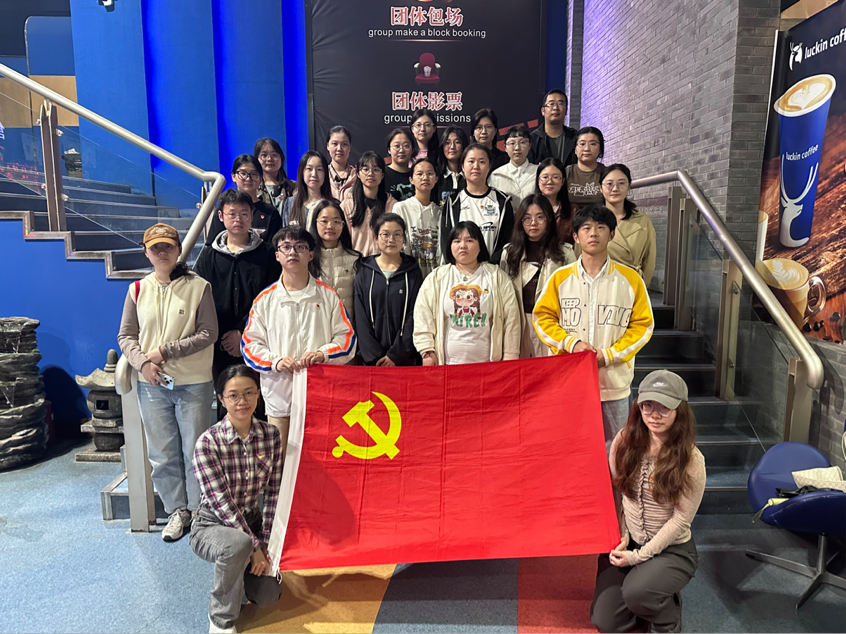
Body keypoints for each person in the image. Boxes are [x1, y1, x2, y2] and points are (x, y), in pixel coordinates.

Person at [117, 223, 218, 542]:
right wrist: (143, 364)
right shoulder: (137, 290)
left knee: (195, 450)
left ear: (178, 250)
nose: (162, 253)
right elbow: (126, 335)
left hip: (194, 383)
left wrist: (165, 351)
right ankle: (177, 510)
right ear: (146, 252)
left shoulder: (199, 286)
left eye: (168, 247)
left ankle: (200, 511)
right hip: (152, 384)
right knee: (162, 453)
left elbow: (208, 333)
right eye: (155, 248)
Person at [591, 370, 705, 634]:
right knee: (606, 622)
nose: (654, 414)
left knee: (637, 593)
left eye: (664, 407)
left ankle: (667, 618)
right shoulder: (623, 442)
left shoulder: (691, 459)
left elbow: (681, 519)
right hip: (629, 541)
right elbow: (616, 492)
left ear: (679, 410)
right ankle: (648, 599)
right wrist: (622, 535)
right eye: (648, 405)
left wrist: (637, 558)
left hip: (672, 549)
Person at [533, 204, 654, 451]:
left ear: (612, 235)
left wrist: (609, 355)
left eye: (601, 228)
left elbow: (643, 326)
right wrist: (572, 344)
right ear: (575, 236)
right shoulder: (560, 278)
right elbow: (542, 318)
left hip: (613, 383)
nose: (593, 233)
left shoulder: (631, 279)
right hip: (569, 381)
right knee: (569, 447)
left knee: (616, 449)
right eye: (586, 228)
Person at [241, 226, 356, 458]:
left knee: (321, 459)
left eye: (300, 247)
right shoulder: (265, 300)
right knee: (281, 462)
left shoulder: (328, 295)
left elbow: (347, 339)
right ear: (277, 255)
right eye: (286, 247)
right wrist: (275, 361)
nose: (293, 252)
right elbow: (249, 346)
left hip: (320, 394)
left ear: (311, 254)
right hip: (280, 396)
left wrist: (323, 354)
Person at [191, 365, 283, 634]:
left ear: (258, 394)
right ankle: (220, 619)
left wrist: (266, 542)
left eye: (249, 393)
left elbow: (274, 492)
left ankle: (238, 573)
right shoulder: (208, 443)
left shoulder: (271, 436)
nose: (242, 401)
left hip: (251, 521)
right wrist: (254, 547)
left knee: (268, 595)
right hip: (212, 524)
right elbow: (222, 504)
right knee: (238, 545)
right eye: (233, 395)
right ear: (221, 399)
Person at [194, 189, 281, 419]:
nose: (238, 219)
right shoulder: (208, 255)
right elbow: (200, 298)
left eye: (244, 214)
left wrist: (242, 333)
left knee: (257, 401)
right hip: (219, 343)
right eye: (232, 214)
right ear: (221, 216)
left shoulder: (267, 254)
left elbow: (270, 298)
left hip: (257, 341)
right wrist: (225, 335)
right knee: (227, 401)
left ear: (252, 216)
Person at [414, 221, 520, 365]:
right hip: (446, 364)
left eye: (469, 240)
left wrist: (510, 358)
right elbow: (422, 315)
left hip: (488, 365)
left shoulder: (497, 276)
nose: (462, 245)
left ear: (480, 246)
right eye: (457, 241)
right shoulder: (437, 277)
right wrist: (427, 351)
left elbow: (512, 321)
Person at [500, 195, 575, 359]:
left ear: (549, 219)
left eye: (540, 217)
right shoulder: (509, 253)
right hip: (519, 322)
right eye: (527, 218)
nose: (533, 223)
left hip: (552, 324)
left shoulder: (565, 253)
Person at [354, 213, 423, 366]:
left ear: (404, 239)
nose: (391, 240)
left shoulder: (413, 272)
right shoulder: (364, 270)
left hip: (404, 359)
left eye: (397, 234)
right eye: (385, 234)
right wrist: (373, 356)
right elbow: (360, 316)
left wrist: (396, 355)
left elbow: (415, 314)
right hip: (371, 361)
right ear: (376, 238)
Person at [441, 144, 515, 264]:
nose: (476, 166)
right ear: (463, 166)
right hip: (461, 270)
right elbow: (446, 241)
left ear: (489, 166)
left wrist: (489, 267)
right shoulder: (452, 202)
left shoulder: (502, 201)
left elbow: (507, 241)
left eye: (482, 162)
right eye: (471, 161)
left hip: (494, 270)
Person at [601, 164, 657, 287]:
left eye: (621, 183)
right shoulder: (591, 218)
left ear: (629, 187)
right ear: (600, 188)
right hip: (599, 284)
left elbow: (649, 259)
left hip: (631, 284)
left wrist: (641, 287)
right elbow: (580, 255)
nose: (615, 189)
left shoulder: (642, 220)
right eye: (609, 184)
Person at [205, 156, 282, 245]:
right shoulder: (225, 209)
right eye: (243, 173)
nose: (248, 178)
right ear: (233, 176)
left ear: (261, 179)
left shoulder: (270, 212)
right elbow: (212, 245)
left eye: (254, 174)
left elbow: (274, 247)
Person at [309, 199, 361, 321]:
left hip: (348, 328)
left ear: (343, 225)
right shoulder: (306, 260)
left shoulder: (355, 260)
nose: (330, 226)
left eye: (336, 221)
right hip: (316, 328)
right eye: (324, 221)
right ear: (315, 223)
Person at [341, 151, 396, 256]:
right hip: (356, 263)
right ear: (358, 174)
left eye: (376, 169)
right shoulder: (347, 205)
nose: (371, 173)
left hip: (384, 263)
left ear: (382, 175)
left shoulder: (393, 206)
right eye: (365, 169)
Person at [393, 157, 440, 277]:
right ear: (411, 180)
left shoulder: (440, 212)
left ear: (436, 179)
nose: (425, 178)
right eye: (419, 174)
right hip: (409, 275)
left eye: (430, 174)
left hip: (435, 277)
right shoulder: (401, 208)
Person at [282, 151, 332, 227]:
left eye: (319, 169)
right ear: (302, 173)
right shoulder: (290, 203)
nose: (314, 174)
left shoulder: (332, 204)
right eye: (309, 169)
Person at [489, 125, 538, 202]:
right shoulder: (496, 176)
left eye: (522, 142)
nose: (517, 148)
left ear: (529, 146)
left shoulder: (539, 172)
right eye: (512, 143)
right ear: (505, 148)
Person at [528, 89, 577, 167]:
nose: (555, 108)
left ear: (566, 111)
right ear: (543, 111)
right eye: (551, 104)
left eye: (560, 104)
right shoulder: (532, 140)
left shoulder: (575, 138)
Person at [566, 126, 606, 210]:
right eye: (582, 144)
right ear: (575, 149)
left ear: (600, 149)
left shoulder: (607, 173)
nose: (587, 149)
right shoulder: (566, 172)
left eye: (593, 144)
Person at [536, 157, 574, 245]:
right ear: (538, 181)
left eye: (555, 177)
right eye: (545, 177)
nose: (550, 182)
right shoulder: (529, 208)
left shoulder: (573, 210)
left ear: (562, 181)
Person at [255, 138, 295, 213]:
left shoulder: (293, 187)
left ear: (281, 158)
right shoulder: (253, 188)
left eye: (274, 155)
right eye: (264, 155)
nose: (269, 159)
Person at [433, 125, 469, 205]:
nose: (452, 147)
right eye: (447, 143)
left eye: (457, 142)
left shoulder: (471, 175)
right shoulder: (436, 175)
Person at [326, 125, 357, 200]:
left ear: (350, 147)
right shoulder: (322, 174)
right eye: (335, 144)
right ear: (328, 146)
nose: (339, 148)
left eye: (344, 144)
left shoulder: (358, 176)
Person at [384, 128, 415, 201]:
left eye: (406, 146)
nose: (401, 150)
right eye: (397, 146)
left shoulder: (417, 174)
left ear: (412, 149)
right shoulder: (382, 174)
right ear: (389, 150)